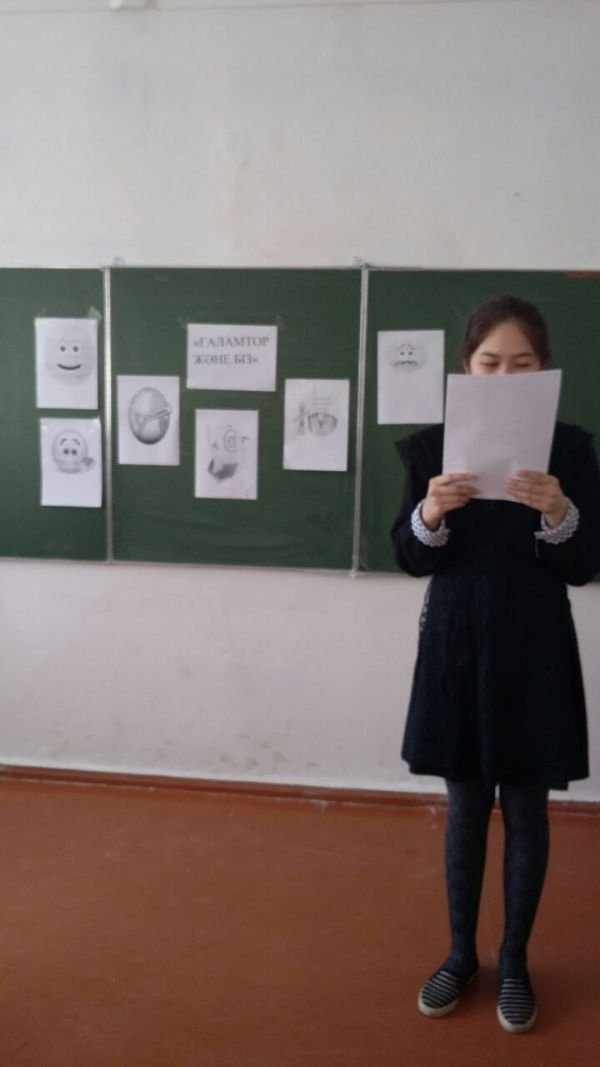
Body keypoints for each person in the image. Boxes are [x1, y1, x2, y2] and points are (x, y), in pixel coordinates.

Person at [390, 295, 600, 1034]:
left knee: (527, 809)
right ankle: (459, 955)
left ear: (544, 369)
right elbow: (409, 555)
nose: (505, 376)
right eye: (490, 363)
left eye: (523, 364)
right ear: (467, 367)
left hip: (536, 646)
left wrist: (559, 513)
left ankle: (514, 960)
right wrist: (431, 512)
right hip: (456, 646)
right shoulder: (430, 449)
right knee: (466, 804)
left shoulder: (570, 450)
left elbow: (584, 565)